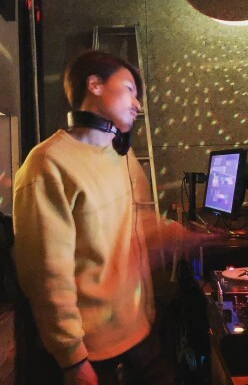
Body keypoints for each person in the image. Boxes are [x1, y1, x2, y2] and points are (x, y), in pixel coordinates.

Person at [12, 49, 202, 385]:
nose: (137, 104)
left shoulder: (123, 157)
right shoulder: (46, 165)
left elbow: (137, 225)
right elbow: (46, 277)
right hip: (94, 352)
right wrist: (73, 360)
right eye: (129, 89)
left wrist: (182, 236)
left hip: (140, 332)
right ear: (95, 85)